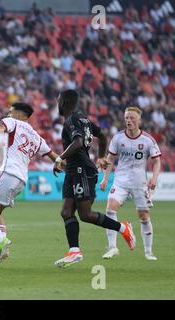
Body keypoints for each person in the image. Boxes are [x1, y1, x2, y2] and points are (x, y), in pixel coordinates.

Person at [0, 101, 62, 267]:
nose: (8, 114)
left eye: (11, 111)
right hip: (21, 179)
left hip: (8, 172)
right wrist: (63, 164)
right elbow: (57, 158)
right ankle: (1, 251)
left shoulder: (13, 122)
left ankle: (1, 241)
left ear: (20, 114)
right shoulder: (37, 137)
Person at [53, 89, 136, 268]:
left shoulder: (72, 120)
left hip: (82, 170)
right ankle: (74, 251)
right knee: (66, 212)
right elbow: (103, 136)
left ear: (64, 102)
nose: (57, 104)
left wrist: (60, 158)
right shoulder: (83, 119)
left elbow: (78, 142)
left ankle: (124, 228)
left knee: (85, 214)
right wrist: (101, 157)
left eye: (59, 100)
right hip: (73, 171)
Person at [100, 106, 161, 260]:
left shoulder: (148, 140)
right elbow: (110, 159)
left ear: (139, 120)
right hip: (120, 181)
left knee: (144, 215)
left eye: (132, 118)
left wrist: (154, 178)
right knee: (110, 209)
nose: (129, 120)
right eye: (127, 117)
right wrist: (105, 178)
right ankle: (112, 247)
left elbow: (157, 161)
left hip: (139, 183)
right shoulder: (118, 138)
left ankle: (148, 251)